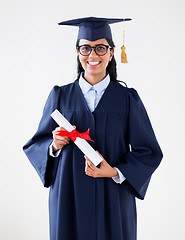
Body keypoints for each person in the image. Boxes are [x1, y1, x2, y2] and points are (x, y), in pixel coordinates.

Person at [23, 17, 163, 240]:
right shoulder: (60, 96)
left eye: (100, 48)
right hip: (69, 195)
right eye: (85, 48)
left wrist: (115, 172)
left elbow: (148, 151)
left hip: (113, 196)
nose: (93, 55)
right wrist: (54, 145)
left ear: (112, 52)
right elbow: (36, 144)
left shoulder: (127, 99)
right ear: (78, 52)